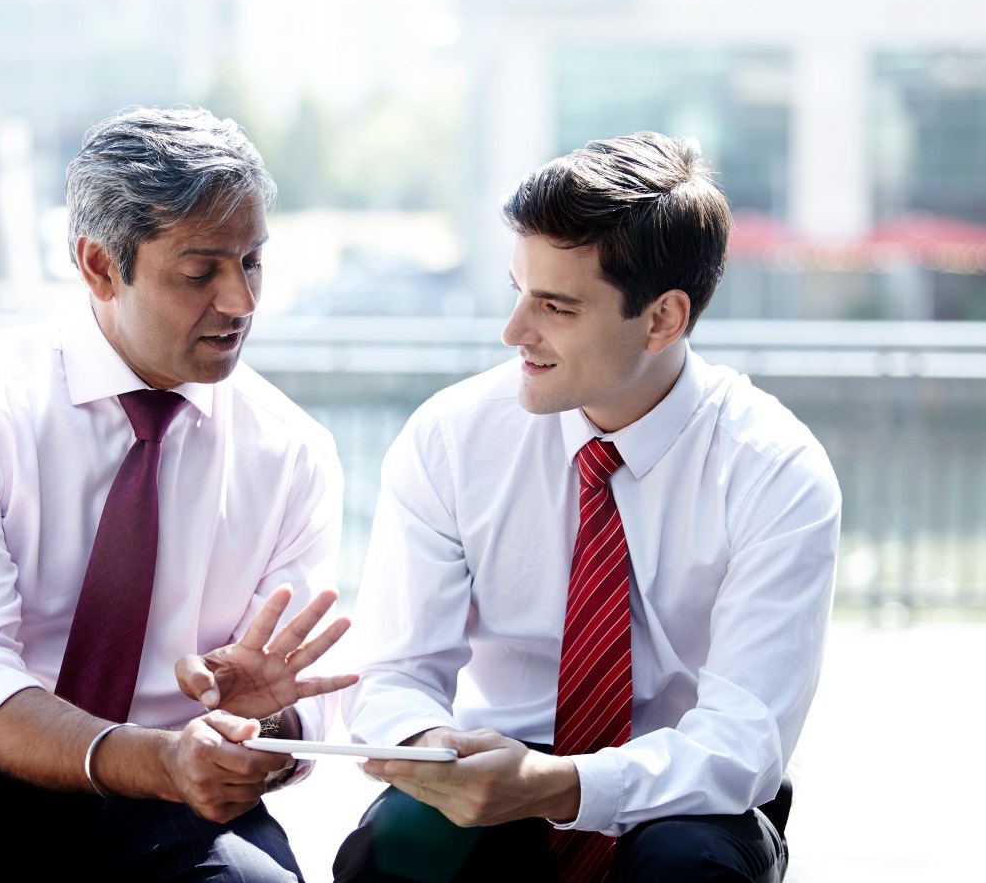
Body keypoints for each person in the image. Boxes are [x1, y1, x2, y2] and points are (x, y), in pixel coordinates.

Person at [0, 106, 356, 882]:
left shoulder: (292, 450)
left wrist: (264, 723)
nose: (241, 300)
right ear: (101, 266)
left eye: (253, 261)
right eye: (201, 270)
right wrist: (153, 755)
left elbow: (296, 695)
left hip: (177, 797)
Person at [332, 133, 841, 883]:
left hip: (689, 793)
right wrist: (433, 747)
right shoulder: (451, 438)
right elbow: (393, 673)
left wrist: (567, 784)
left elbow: (740, 742)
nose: (513, 332)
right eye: (517, 291)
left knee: (685, 866)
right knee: (398, 844)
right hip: (494, 765)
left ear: (663, 319)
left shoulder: (776, 471)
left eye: (555, 306)